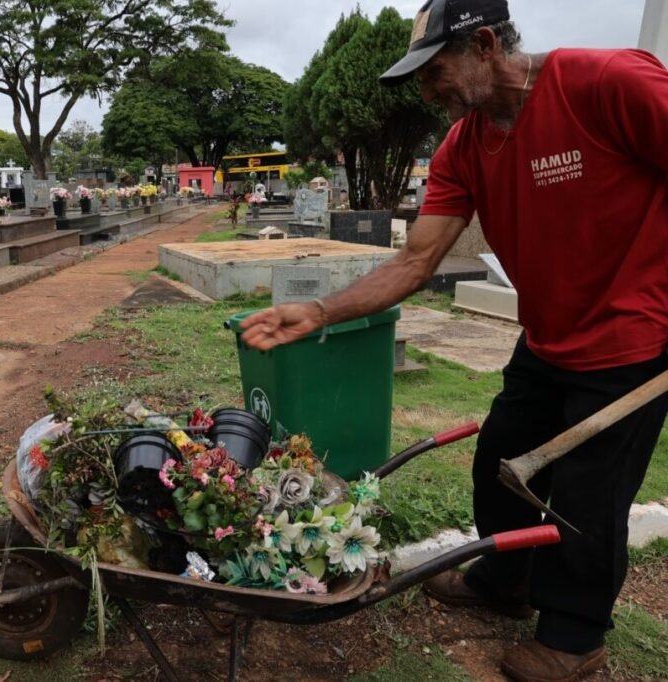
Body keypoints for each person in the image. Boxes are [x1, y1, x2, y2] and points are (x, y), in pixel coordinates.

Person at [240, 0, 668, 679]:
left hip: (632, 342)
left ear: (486, 45)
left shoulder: (608, 83)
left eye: (434, 72)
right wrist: (319, 312)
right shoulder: (464, 147)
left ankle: (574, 639)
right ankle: (504, 583)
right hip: (548, 338)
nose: (425, 92)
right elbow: (416, 261)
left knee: (591, 496)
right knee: (499, 459)